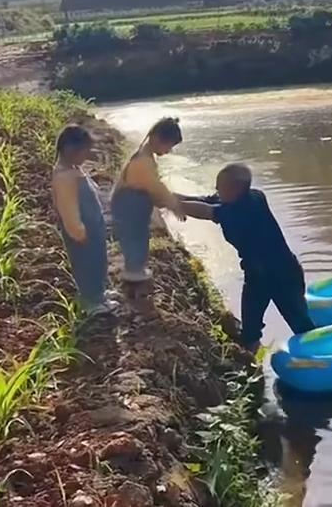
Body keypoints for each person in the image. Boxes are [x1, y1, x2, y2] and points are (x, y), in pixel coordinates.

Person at [178, 163, 315, 352]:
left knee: (302, 327)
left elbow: (207, 211)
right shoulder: (252, 196)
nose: (216, 189)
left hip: (283, 276)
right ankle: (255, 372)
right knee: (250, 332)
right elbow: (207, 201)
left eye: (220, 186)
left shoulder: (244, 210)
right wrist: (168, 198)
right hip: (256, 277)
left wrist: (174, 205)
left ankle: (329, 365)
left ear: (236, 189)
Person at [50, 125, 118, 316]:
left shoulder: (73, 169)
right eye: (86, 151)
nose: (88, 155)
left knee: (97, 261)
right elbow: (68, 209)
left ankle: (100, 294)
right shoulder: (64, 177)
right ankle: (91, 302)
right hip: (82, 232)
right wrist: (78, 231)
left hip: (93, 228)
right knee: (86, 264)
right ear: (72, 150)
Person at [111, 117, 187, 286]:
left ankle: (136, 268)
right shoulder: (143, 162)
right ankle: (133, 272)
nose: (169, 151)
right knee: (134, 238)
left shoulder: (145, 155)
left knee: (139, 236)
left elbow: (154, 187)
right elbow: (156, 187)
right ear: (156, 138)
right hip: (128, 205)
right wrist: (174, 205)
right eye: (169, 146)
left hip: (134, 205)